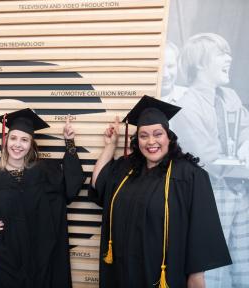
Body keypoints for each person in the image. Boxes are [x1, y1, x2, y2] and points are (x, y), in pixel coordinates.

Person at [89, 96, 232, 288]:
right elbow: (99, 184)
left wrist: (196, 280)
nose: (151, 141)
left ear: (168, 137)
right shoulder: (127, 170)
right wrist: (109, 146)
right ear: (136, 139)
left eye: (158, 134)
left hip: (162, 275)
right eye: (144, 135)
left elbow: (200, 236)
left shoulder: (189, 176)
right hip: (122, 274)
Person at [0, 108, 85, 288]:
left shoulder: (46, 172)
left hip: (42, 257)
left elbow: (72, 184)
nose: (18, 144)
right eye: (14, 138)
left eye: (24, 140)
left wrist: (69, 142)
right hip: (6, 258)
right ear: (6, 140)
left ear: (31, 144)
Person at [171, 33, 249, 287]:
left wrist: (246, 144)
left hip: (240, 190)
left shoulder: (230, 97)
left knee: (243, 265)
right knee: (213, 268)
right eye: (220, 54)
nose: (229, 58)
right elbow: (206, 157)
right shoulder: (186, 106)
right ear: (201, 63)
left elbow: (245, 130)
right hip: (212, 192)